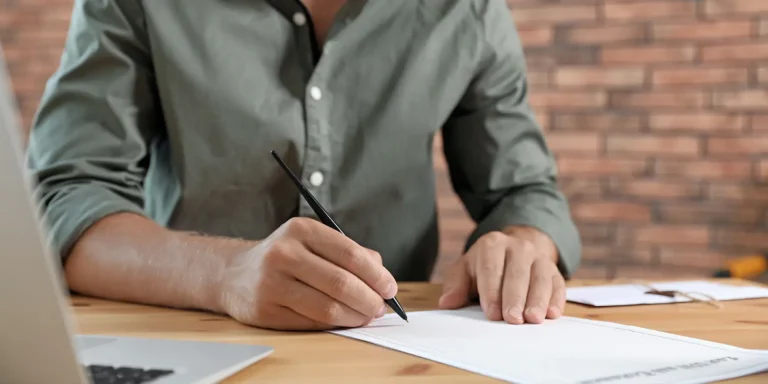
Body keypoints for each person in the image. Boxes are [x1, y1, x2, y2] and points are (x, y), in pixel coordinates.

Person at [26, 0, 581, 331]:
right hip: (190, 337)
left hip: (392, 349)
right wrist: (223, 274)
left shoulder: (467, 10)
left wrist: (523, 241)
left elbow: (524, 190)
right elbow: (62, 199)